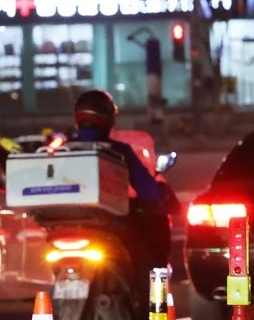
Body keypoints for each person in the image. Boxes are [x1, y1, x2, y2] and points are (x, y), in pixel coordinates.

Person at [70, 89, 178, 276]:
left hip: (69, 226)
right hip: (111, 227)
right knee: (149, 260)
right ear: (109, 119)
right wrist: (163, 194)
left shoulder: (65, 149)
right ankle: (152, 301)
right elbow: (148, 190)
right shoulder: (118, 151)